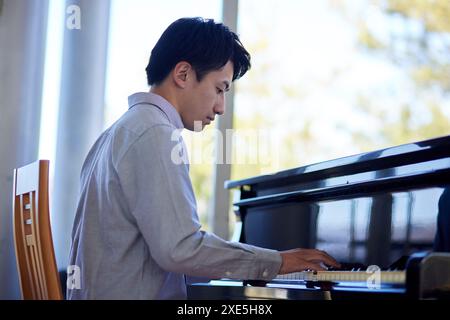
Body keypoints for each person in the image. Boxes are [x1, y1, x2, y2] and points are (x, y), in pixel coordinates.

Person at [67, 17, 340, 300]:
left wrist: (252, 264)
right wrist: (278, 262)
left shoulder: (117, 132)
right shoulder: (154, 133)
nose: (221, 107)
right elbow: (181, 250)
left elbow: (169, 253)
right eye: (219, 89)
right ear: (183, 74)